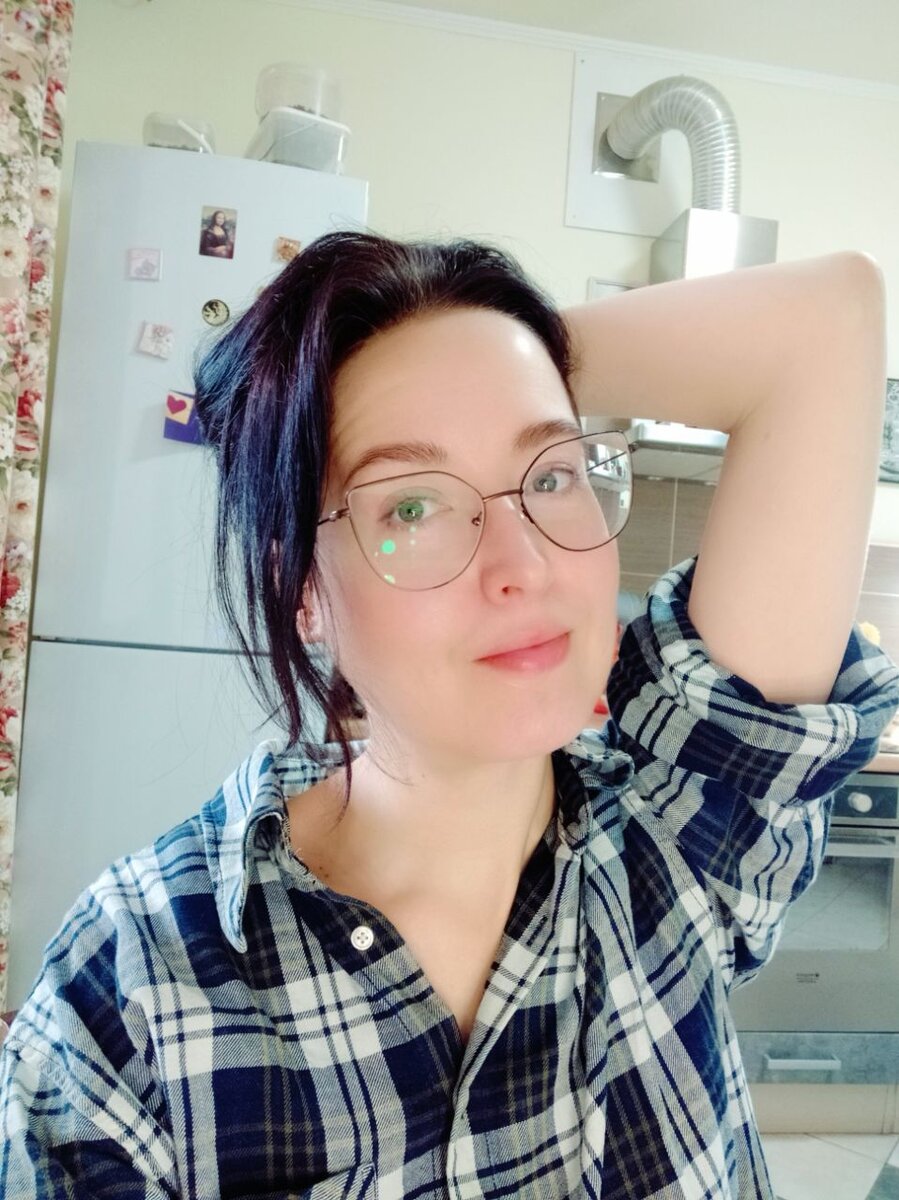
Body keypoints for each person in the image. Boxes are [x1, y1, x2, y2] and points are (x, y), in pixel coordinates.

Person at [1, 232, 897, 1198]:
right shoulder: (133, 988)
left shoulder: (676, 832)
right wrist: (302, 393)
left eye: (550, 474)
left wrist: (493, 343)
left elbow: (829, 320)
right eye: (411, 508)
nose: (526, 566)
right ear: (301, 590)